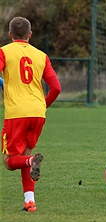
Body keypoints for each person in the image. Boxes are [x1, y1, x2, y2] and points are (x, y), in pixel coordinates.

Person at [0, 17, 61, 212]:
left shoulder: (4, 52)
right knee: (26, 153)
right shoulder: (41, 55)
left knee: (10, 162)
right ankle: (30, 202)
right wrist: (43, 106)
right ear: (30, 35)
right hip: (37, 113)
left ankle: (30, 161)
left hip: (16, 113)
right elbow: (56, 88)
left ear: (10, 35)